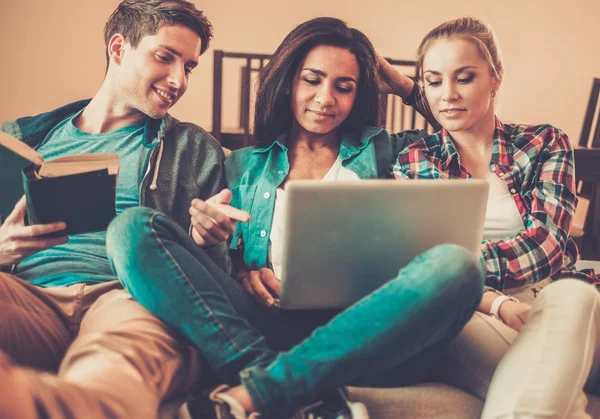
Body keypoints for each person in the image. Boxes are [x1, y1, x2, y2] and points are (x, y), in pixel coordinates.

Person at [106, 17, 484, 419]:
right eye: (312, 80)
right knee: (132, 229)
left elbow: (462, 124)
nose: (326, 98)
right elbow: (220, 267)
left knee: (459, 265)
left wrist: (403, 85)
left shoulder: (388, 152)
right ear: (288, 81)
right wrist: (221, 252)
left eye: (344, 86)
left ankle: (265, 392)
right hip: (266, 325)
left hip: (368, 331)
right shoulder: (242, 166)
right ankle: (291, 387)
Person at [0, 1, 228, 417]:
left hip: (126, 298)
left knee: (122, 357)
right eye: (166, 57)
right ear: (119, 48)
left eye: (189, 66)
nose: (179, 80)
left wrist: (204, 241)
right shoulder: (21, 140)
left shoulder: (195, 149)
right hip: (27, 297)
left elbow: (214, 286)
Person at [392, 16, 600, 418]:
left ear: (495, 78)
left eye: (464, 77)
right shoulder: (414, 160)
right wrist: (490, 299)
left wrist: (455, 267)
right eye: (433, 82)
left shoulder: (543, 142)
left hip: (553, 295)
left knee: (574, 296)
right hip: (476, 310)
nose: (447, 95)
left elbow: (549, 246)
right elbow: (419, 261)